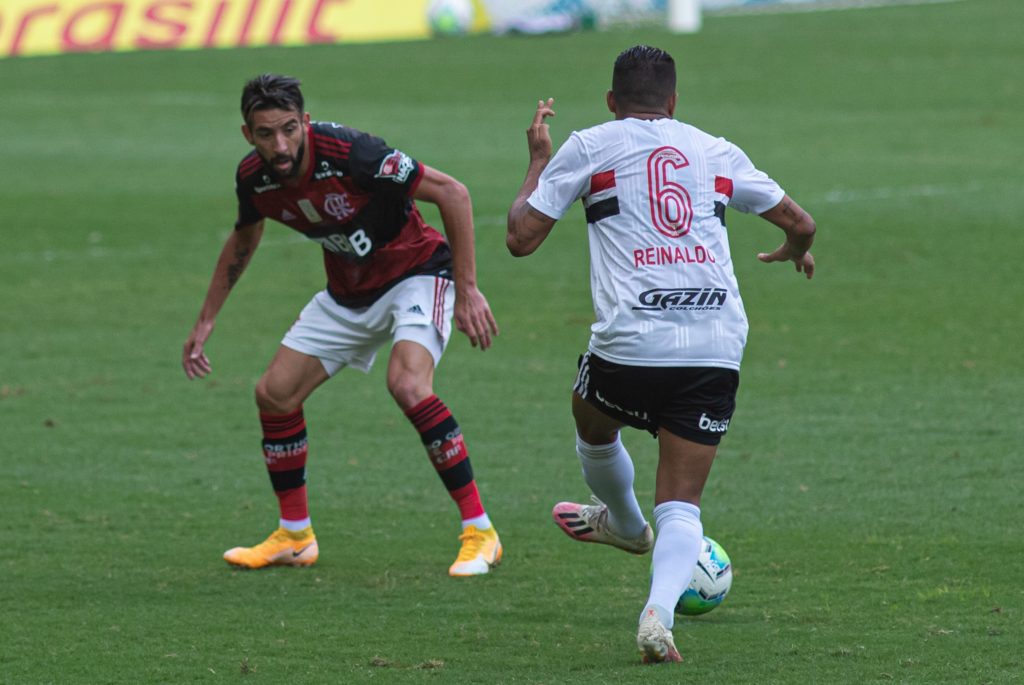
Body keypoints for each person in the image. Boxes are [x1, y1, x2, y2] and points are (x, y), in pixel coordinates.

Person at [506, 45, 815, 662]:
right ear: (673, 102)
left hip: (629, 344)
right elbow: (800, 221)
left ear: (613, 103)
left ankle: (622, 521)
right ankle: (657, 613)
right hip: (714, 343)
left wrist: (538, 163)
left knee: (592, 425)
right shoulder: (715, 150)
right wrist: (793, 247)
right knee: (681, 501)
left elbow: (520, 237)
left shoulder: (591, 144)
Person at [183, 74, 502, 577]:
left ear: (305, 122)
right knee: (274, 393)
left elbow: (453, 193)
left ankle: (480, 531)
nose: (280, 144)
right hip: (349, 293)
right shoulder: (255, 178)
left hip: (416, 275)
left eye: (289, 129)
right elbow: (245, 236)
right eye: (266, 134)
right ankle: (294, 535)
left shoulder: (354, 154)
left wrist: (467, 291)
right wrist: (206, 319)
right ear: (248, 134)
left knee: (408, 385)